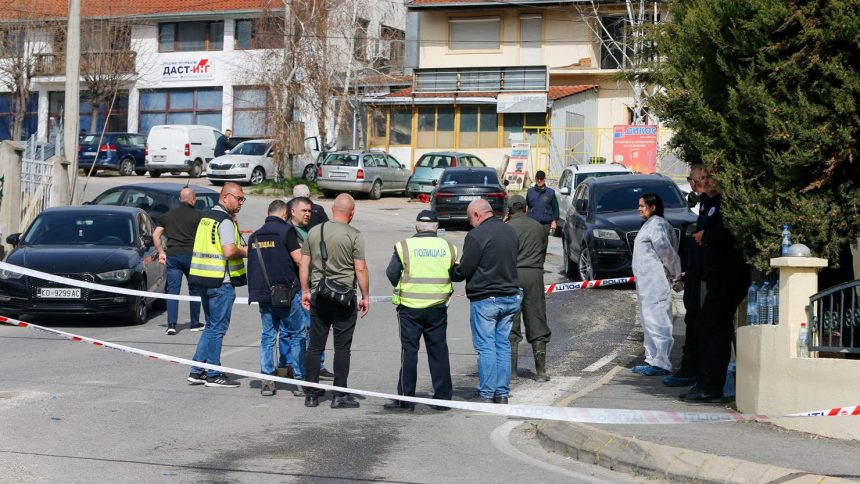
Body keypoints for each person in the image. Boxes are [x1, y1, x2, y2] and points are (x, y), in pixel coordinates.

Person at [682, 168, 750, 402]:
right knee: (706, 327)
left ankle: (712, 387)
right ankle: (705, 382)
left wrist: (706, 236)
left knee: (713, 327)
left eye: (709, 178)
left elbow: (730, 233)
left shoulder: (726, 203)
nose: (705, 183)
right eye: (702, 179)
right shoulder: (706, 202)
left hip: (727, 273)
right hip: (711, 274)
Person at [299, 194, 370, 408]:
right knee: (342, 347)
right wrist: (365, 296)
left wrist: (305, 291)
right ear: (352, 212)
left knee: (315, 346)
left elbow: (304, 264)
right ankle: (339, 395)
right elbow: (360, 268)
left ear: (332, 209)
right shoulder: (354, 235)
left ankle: (311, 394)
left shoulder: (314, 231)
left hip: (319, 296)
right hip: (344, 298)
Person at [383, 210, 457, 412]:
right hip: (437, 308)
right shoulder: (448, 247)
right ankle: (442, 399)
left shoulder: (405, 246)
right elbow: (456, 273)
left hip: (409, 308)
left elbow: (391, 273)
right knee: (439, 351)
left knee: (409, 351)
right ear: (437, 227)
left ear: (416, 227)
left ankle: (406, 398)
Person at [450, 199, 521, 404]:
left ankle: (487, 393)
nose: (470, 223)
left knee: (486, 347)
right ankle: (502, 393)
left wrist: (452, 269)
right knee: (503, 345)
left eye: (469, 218)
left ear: (477, 215)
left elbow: (464, 270)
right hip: (510, 296)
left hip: (486, 299)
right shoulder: (510, 231)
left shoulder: (476, 235)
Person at [186, 182, 248, 388]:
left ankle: (196, 371)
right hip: (221, 281)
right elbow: (230, 251)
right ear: (225, 198)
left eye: (243, 199)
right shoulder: (224, 221)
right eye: (238, 198)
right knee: (217, 329)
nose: (241, 203)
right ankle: (213, 372)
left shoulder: (206, 218)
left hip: (204, 279)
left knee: (211, 327)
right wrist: (249, 251)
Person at [247, 200, 305, 397]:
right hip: (287, 294)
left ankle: (267, 381)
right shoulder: (286, 231)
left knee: (268, 336)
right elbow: (299, 259)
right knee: (297, 334)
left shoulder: (254, 236)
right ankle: (300, 380)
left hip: (264, 294)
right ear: (284, 214)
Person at [663, 165, 707, 387]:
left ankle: (695, 372)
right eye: (690, 179)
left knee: (699, 324)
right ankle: (689, 369)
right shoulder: (702, 203)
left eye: (694, 178)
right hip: (694, 273)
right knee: (692, 320)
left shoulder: (712, 204)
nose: (692, 183)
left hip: (705, 277)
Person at [630, 193, 682, 377]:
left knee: (658, 321)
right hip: (646, 283)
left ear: (653, 207)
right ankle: (651, 358)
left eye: (642, 206)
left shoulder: (658, 225)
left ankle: (662, 362)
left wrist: (675, 274)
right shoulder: (649, 225)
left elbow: (666, 251)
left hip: (655, 282)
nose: (639, 209)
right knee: (648, 321)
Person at [283, 195, 334, 382]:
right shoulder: (290, 232)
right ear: (293, 211)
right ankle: (298, 366)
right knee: (302, 330)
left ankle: (313, 365)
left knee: (310, 329)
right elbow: (300, 260)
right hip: (298, 287)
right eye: (304, 211)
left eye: (309, 211)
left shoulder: (305, 230)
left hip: (310, 285)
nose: (308, 214)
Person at [505, 195, 552, 382]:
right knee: (537, 317)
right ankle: (540, 372)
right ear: (525, 208)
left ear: (509, 210)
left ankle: (512, 373)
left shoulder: (506, 228)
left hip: (512, 276)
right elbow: (542, 251)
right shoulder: (538, 227)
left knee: (511, 321)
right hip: (534, 274)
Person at [152, 187, 203, 335]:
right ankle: (194, 323)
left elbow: (156, 235)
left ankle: (172, 325)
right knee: (194, 289)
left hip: (173, 256)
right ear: (192, 199)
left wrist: (161, 252)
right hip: (192, 256)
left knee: (173, 291)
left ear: (180, 200)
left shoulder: (167, 216)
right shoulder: (199, 216)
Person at [526, 170, 559, 237]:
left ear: (544, 179)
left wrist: (554, 221)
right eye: (537, 178)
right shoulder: (530, 192)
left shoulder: (551, 192)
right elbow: (526, 206)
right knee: (532, 243)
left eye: (541, 179)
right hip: (532, 223)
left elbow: (555, 208)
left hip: (545, 224)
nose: (539, 180)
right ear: (535, 178)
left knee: (543, 244)